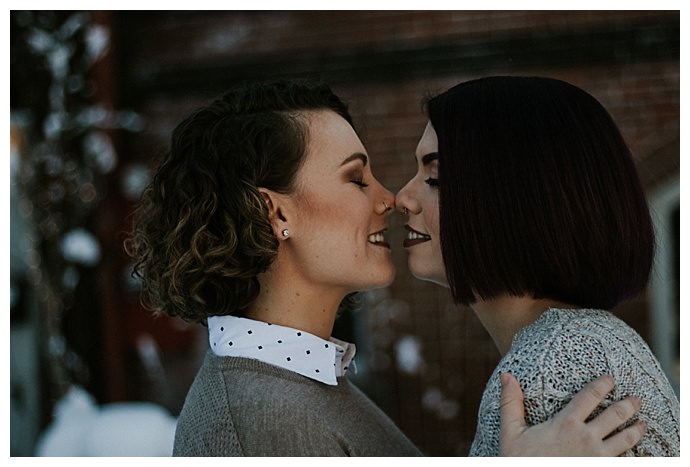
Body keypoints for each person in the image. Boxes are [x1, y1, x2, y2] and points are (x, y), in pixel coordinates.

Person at [127, 79, 645, 456]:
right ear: (277, 213)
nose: (390, 199)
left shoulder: (308, 386)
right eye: (357, 179)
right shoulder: (256, 424)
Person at [395, 75, 679, 456]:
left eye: (435, 177)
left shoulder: (547, 370)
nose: (402, 198)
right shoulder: (587, 342)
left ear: (514, 198)